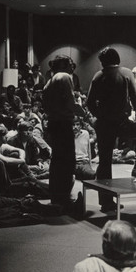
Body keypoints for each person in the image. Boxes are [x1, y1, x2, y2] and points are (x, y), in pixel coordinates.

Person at [87, 47, 136, 212]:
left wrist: (100, 116)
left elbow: (90, 102)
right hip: (121, 122)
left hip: (104, 124)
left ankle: (106, 202)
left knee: (104, 162)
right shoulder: (126, 73)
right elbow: (135, 98)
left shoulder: (98, 75)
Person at [43, 54, 84, 216]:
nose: (73, 68)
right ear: (65, 65)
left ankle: (57, 198)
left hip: (54, 123)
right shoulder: (65, 77)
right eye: (71, 64)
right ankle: (65, 200)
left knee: (57, 162)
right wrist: (84, 112)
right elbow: (70, 103)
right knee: (67, 162)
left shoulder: (50, 81)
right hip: (63, 124)